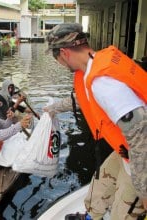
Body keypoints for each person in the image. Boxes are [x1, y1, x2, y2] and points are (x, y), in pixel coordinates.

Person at [44, 23, 147, 219]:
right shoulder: (93, 66)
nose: (59, 63)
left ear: (64, 53)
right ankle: (92, 216)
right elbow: (84, 99)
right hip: (127, 147)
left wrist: (144, 191)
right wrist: (54, 109)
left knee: (123, 212)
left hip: (141, 152)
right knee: (100, 186)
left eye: (56, 58)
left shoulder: (104, 83)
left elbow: (141, 133)